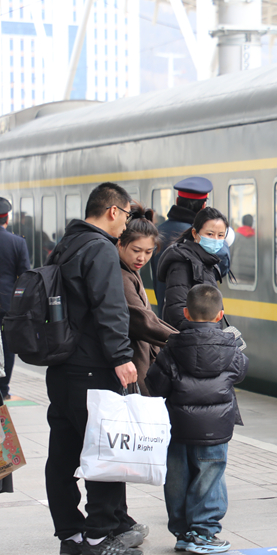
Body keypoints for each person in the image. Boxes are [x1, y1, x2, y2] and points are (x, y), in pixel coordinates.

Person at [44, 183, 147, 555]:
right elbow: (109, 307)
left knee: (63, 455)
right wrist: (122, 357)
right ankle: (100, 537)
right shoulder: (100, 247)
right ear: (114, 212)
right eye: (127, 215)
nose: (126, 226)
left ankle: (70, 536)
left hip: (61, 368)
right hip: (93, 368)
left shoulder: (65, 243)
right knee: (106, 455)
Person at [147, 284, 248, 554]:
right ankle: (203, 532)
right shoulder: (232, 349)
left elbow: (155, 386)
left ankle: (183, 533)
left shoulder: (171, 349)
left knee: (177, 479)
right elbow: (240, 373)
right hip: (215, 430)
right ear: (220, 315)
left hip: (177, 428)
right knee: (210, 476)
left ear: (185, 314)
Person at [117, 204, 178, 396]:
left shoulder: (130, 271)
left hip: (140, 361)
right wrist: (182, 339)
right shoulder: (121, 275)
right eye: (136, 250)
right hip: (132, 365)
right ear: (120, 243)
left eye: (148, 252)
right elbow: (143, 320)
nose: (141, 258)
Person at [151, 177, 230, 313]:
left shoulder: (157, 232)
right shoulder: (200, 237)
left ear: (177, 201)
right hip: (196, 319)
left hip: (165, 316)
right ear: (203, 206)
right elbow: (222, 264)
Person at [157, 207, 228, 331]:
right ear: (195, 234)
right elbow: (176, 309)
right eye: (210, 234)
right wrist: (204, 336)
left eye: (221, 235)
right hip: (192, 342)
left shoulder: (206, 261)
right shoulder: (182, 263)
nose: (216, 239)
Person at [0, 197, 30, 399]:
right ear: (6, 218)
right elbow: (26, 276)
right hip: (6, 303)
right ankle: (3, 389)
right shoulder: (17, 242)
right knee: (8, 346)